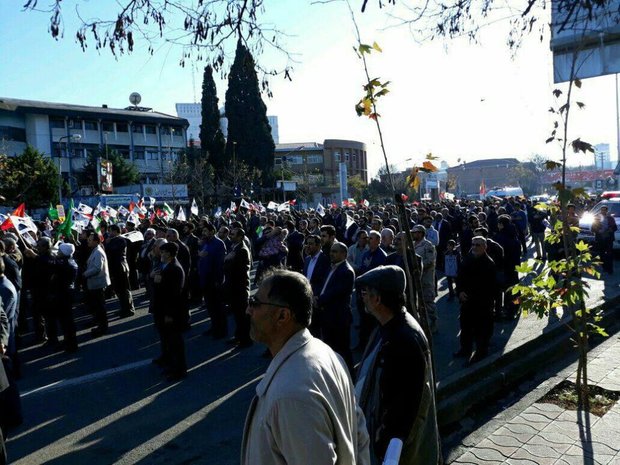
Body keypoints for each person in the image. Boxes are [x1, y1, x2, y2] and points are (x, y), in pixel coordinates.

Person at [241, 269, 370, 465]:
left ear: (283, 316)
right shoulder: (326, 353)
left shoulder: (290, 395)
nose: (248, 310)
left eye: (255, 303)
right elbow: (359, 434)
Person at [355, 265, 440, 465]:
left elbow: (404, 410)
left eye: (365, 292)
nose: (362, 298)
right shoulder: (386, 327)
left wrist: (385, 449)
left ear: (378, 299)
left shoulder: (404, 340)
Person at [455, 236, 497, 363]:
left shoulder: (489, 263)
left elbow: (490, 286)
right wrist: (460, 292)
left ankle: (480, 352)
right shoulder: (467, 259)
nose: (474, 247)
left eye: (478, 245)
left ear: (485, 247)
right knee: (465, 327)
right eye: (473, 244)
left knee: (481, 329)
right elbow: (460, 277)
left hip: (482, 303)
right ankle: (465, 349)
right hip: (467, 301)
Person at [316, 242, 355, 371]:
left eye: (335, 251)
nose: (331, 254)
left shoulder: (346, 271)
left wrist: (318, 300)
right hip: (327, 315)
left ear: (344, 254)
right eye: (331, 251)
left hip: (339, 318)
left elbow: (335, 293)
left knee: (342, 350)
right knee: (330, 348)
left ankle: (350, 378)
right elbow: (325, 287)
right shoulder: (332, 267)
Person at [151, 242, 187, 381]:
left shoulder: (175, 269)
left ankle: (179, 370)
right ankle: (170, 364)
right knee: (166, 339)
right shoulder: (162, 265)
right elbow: (156, 281)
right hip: (160, 309)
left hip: (171, 312)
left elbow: (174, 295)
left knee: (175, 342)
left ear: (170, 254)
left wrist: (169, 314)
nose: (161, 254)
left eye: (164, 252)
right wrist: (153, 278)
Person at [222, 227, 252, 348]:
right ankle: (238, 336)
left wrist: (227, 261)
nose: (230, 236)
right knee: (237, 315)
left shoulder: (242, 250)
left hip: (239, 289)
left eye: (233, 234)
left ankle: (246, 340)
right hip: (233, 287)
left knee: (242, 316)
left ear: (240, 236)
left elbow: (239, 272)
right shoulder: (234, 247)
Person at [83, 232, 112, 337]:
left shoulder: (98, 251)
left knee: (100, 307)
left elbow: (96, 268)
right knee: (97, 306)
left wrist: (85, 274)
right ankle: (100, 324)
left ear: (96, 241)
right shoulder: (95, 250)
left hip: (98, 283)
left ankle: (103, 327)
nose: (88, 241)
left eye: (90, 240)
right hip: (95, 283)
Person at [105, 225, 135, 318]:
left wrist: (108, 244)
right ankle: (123, 308)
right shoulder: (113, 240)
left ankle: (129, 309)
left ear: (115, 231)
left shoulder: (121, 240)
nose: (109, 233)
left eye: (110, 231)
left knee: (124, 290)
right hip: (115, 268)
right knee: (118, 290)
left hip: (121, 267)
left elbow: (115, 251)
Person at [592, 205, 617, 274]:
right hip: (600, 239)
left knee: (609, 254)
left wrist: (609, 230)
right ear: (600, 210)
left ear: (607, 211)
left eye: (604, 210)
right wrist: (598, 231)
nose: (603, 211)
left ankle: (610, 269)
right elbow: (592, 228)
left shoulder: (611, 218)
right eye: (602, 210)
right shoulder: (597, 218)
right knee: (602, 254)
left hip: (608, 238)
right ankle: (604, 268)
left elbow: (615, 228)